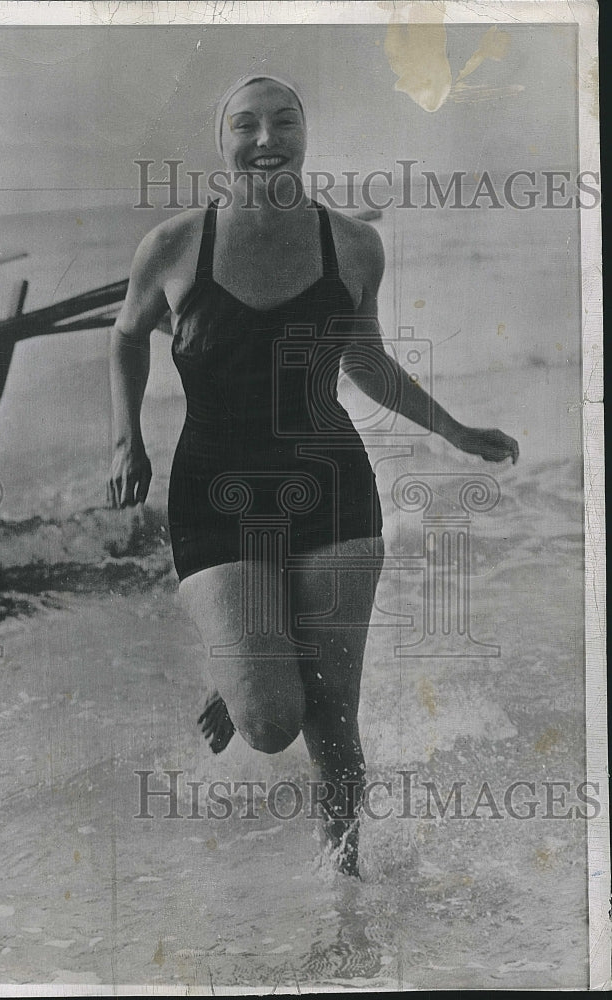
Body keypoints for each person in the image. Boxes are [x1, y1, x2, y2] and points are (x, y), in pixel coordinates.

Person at [107, 74, 519, 874]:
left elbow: (363, 358)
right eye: (246, 125)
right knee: (268, 721)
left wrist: (456, 432)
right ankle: (248, 672)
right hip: (214, 493)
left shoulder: (353, 243)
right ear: (220, 140)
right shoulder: (173, 243)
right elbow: (127, 335)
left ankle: (346, 889)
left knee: (332, 722)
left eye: (283, 122)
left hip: (330, 485)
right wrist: (126, 441)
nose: (266, 140)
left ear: (304, 132)